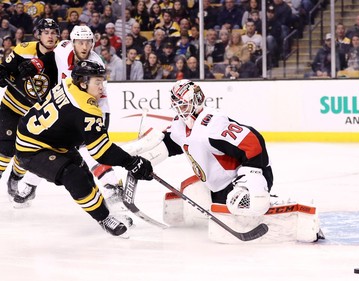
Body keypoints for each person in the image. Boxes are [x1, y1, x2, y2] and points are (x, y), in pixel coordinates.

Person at [14, 60, 153, 237]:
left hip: (50, 140)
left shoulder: (67, 83)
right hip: (32, 149)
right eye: (97, 82)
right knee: (74, 176)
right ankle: (103, 218)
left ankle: (104, 211)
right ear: (83, 82)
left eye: (102, 81)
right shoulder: (86, 108)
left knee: (83, 171)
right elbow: (101, 152)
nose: (102, 87)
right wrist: (131, 162)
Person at [12, 25, 124, 208]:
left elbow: (101, 96)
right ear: (73, 43)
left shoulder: (97, 64)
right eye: (80, 42)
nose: (84, 46)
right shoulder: (63, 49)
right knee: (51, 147)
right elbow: (48, 58)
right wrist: (34, 65)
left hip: (85, 110)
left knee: (90, 150)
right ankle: (30, 186)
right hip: (61, 106)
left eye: (88, 42)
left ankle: (112, 184)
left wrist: (101, 120)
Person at [141, 79, 273, 226]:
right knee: (190, 189)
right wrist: (144, 159)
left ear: (196, 101)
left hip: (240, 180)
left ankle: (259, 199)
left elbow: (253, 142)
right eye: (177, 107)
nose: (180, 111)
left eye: (184, 105)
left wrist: (250, 178)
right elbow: (171, 143)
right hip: (216, 186)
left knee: (241, 200)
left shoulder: (213, 124)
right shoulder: (180, 124)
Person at [0, 18, 60, 198]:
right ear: (38, 34)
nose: (50, 36)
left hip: (37, 115)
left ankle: (15, 178)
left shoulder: (61, 56)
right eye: (46, 32)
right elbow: (6, 70)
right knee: (5, 149)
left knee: (25, 153)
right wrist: (3, 74)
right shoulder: (24, 49)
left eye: (53, 33)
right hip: (12, 106)